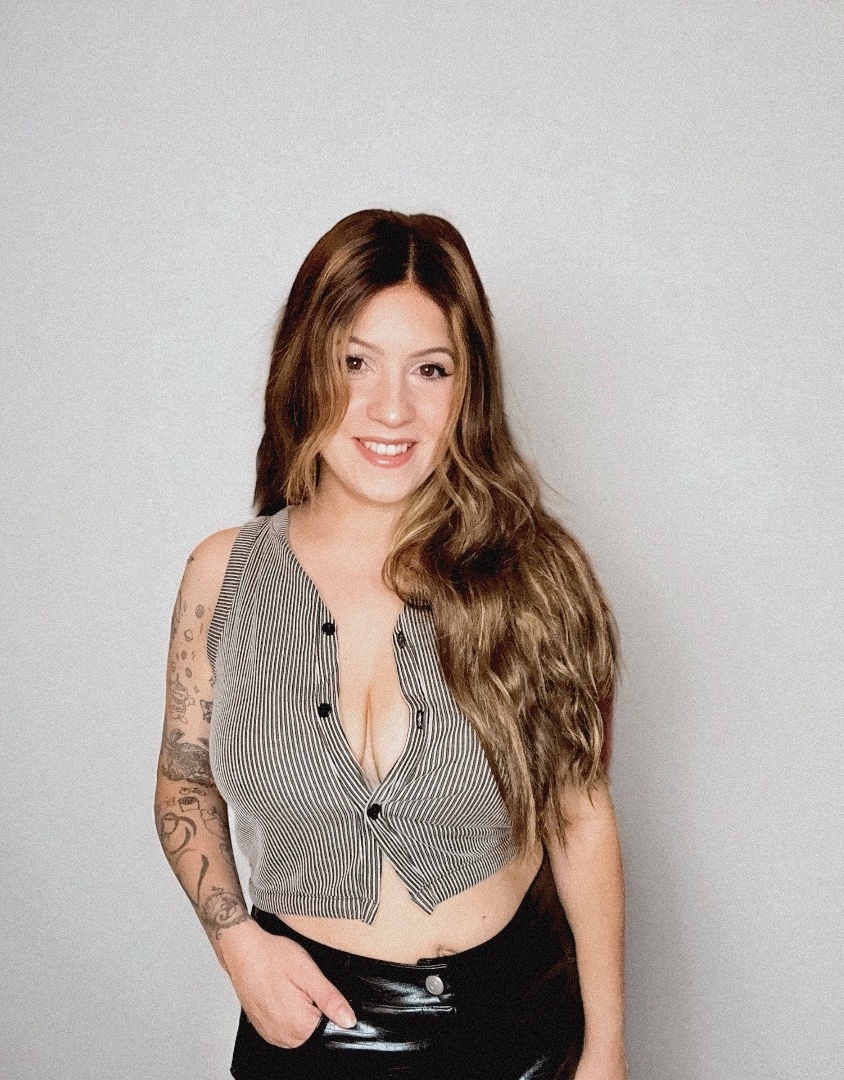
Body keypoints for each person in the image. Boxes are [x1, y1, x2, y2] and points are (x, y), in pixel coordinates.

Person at [154, 209, 626, 1080]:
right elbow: (185, 780)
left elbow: (580, 815)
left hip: (517, 1032)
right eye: (356, 362)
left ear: (468, 387)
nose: (392, 408)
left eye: (430, 369)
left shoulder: (536, 577)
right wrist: (236, 943)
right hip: (309, 1034)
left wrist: (606, 1051)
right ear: (306, 368)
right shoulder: (221, 577)